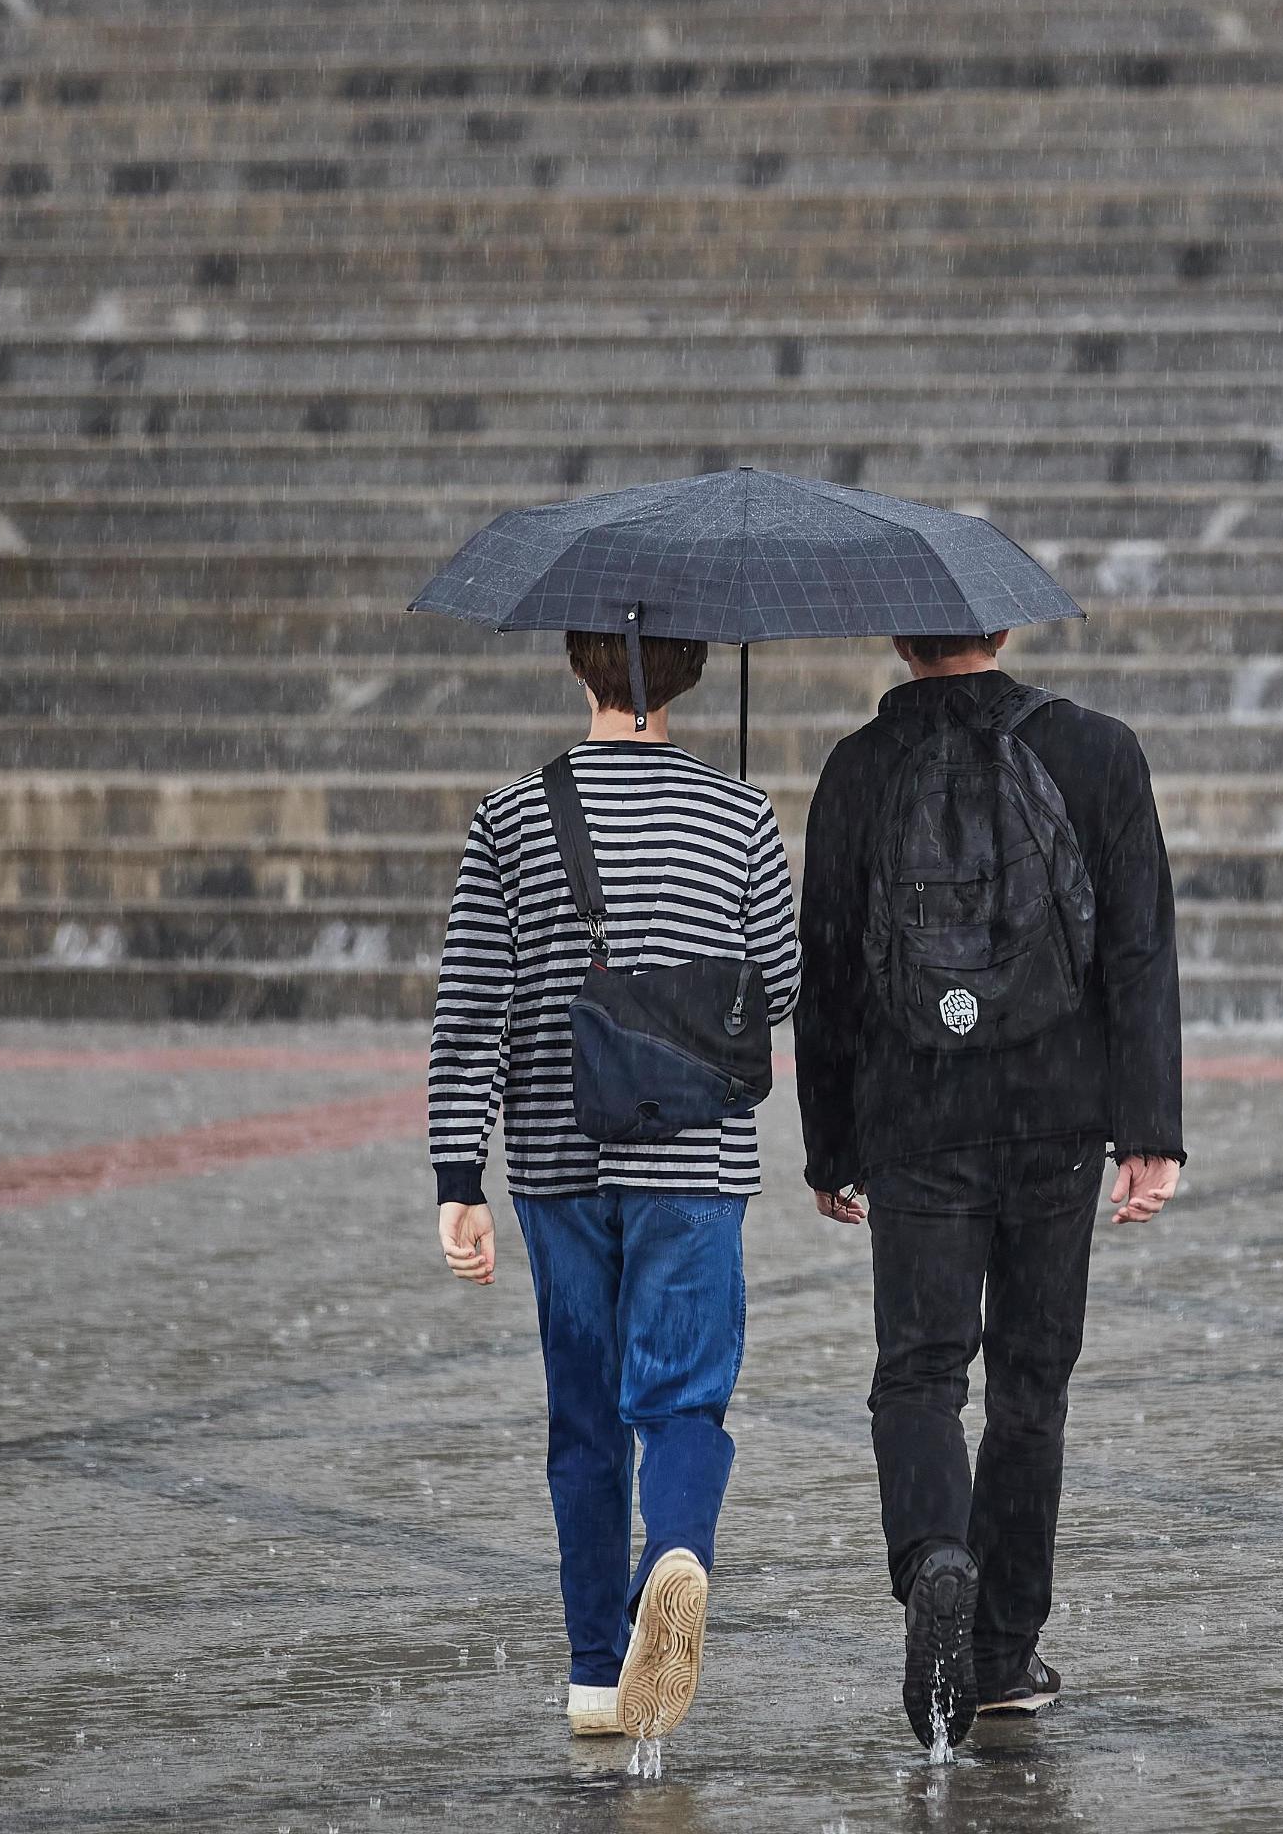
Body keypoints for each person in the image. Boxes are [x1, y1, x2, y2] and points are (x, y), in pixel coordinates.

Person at [796, 629, 1184, 1748]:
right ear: (1004, 632)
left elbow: (829, 967)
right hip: (1058, 1111)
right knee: (1030, 1382)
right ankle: (1005, 1654)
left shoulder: (859, 769)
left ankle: (937, 1556)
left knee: (919, 1370)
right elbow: (1140, 947)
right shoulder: (1099, 752)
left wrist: (832, 1144)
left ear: (897, 641)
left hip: (916, 1115)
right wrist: (1148, 1128)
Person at [428, 627, 801, 1747]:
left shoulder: (511, 815)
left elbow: (469, 1011)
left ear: (575, 667)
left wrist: (460, 1172)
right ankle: (676, 1549)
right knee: (682, 1395)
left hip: (556, 1154)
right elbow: (777, 987)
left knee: (584, 1417)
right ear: (690, 672)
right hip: (696, 1154)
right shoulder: (740, 814)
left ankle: (596, 1668)